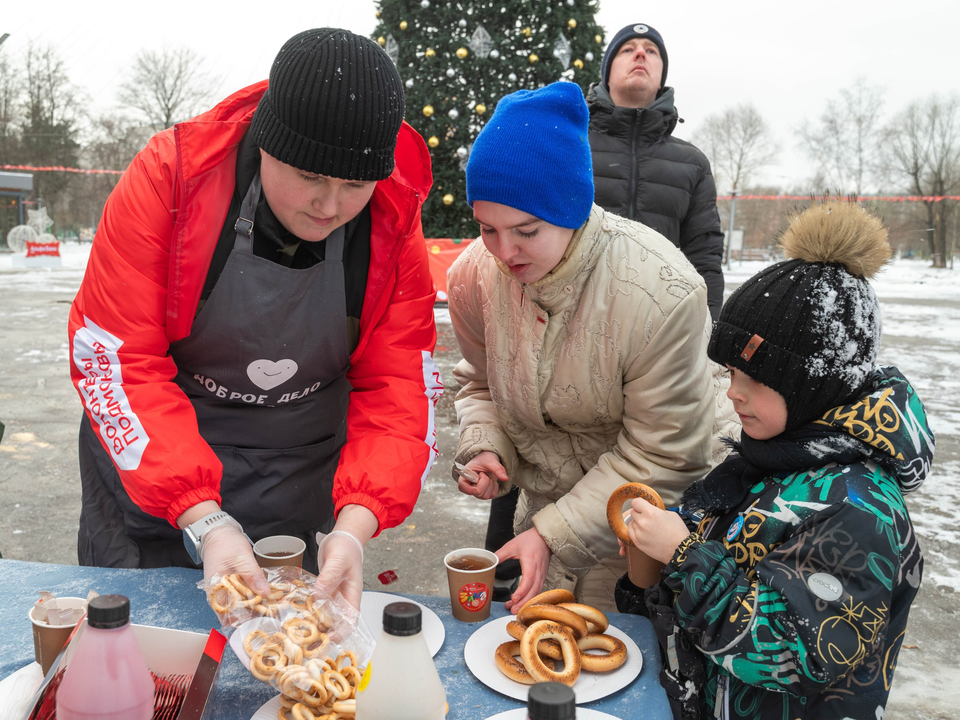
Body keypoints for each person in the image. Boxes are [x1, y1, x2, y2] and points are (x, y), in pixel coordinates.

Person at [67, 29, 441, 610]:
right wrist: (205, 520)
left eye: (355, 184)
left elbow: (397, 385)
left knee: (288, 662)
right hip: (157, 464)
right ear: (266, 143)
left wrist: (354, 526)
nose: (331, 206)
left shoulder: (393, 219)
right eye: (311, 176)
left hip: (298, 473)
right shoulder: (171, 178)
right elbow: (118, 361)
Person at [615, 201, 932, 719]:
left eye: (754, 380)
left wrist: (685, 557)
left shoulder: (860, 509)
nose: (733, 394)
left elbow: (790, 652)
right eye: (731, 373)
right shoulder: (769, 460)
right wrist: (655, 563)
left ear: (815, 387)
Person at [447, 82, 719, 613]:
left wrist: (551, 535)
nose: (504, 252)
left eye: (526, 230)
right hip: (546, 507)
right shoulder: (472, 278)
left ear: (570, 207)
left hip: (638, 522)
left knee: (619, 657)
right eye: (487, 229)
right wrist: (486, 443)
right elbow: (480, 381)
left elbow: (665, 451)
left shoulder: (661, 293)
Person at [587, 23, 725, 320]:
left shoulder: (693, 163)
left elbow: (705, 256)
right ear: (607, 73)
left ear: (661, 76)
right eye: (628, 49)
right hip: (575, 326)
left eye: (651, 51)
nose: (640, 54)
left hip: (659, 330)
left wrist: (709, 333)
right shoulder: (569, 146)